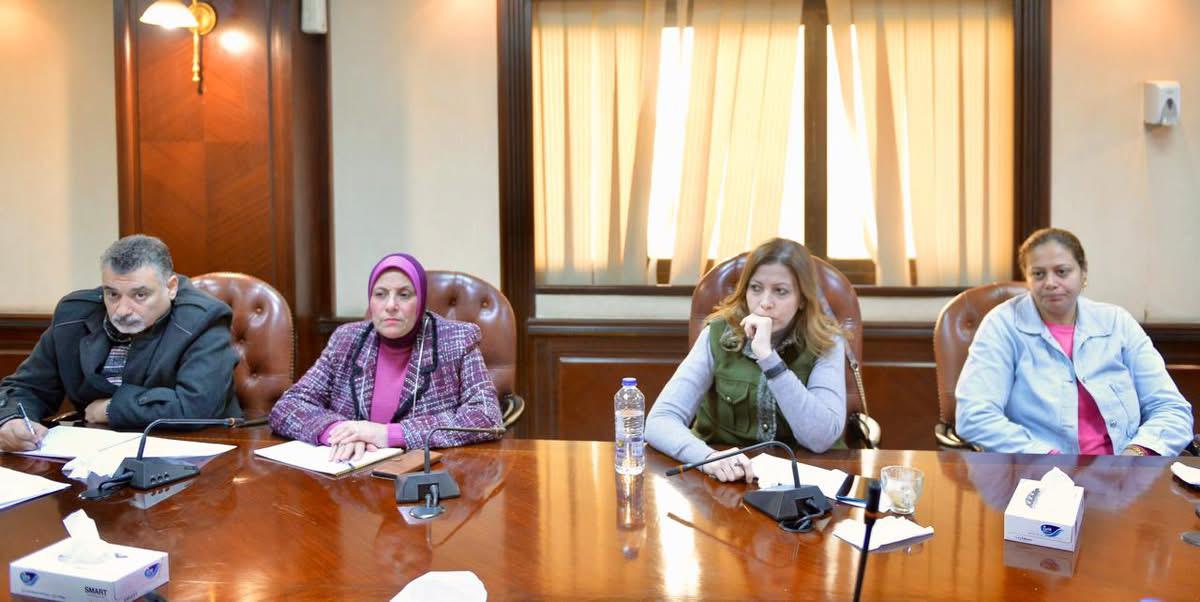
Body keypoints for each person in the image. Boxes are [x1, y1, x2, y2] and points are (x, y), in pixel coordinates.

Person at [955, 227, 1193, 455]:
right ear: (1026, 278)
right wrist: (1048, 458)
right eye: (1038, 274)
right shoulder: (1002, 325)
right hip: (1037, 471)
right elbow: (974, 415)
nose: (1050, 282)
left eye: (1062, 271)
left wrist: (1136, 454)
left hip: (1123, 470)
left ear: (1083, 273)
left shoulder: (1117, 322)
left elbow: (1171, 409)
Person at [0, 234, 242, 451]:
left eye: (140, 295)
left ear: (171, 288)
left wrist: (111, 409)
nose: (122, 310)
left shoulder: (203, 319)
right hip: (90, 453)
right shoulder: (73, 315)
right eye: (112, 294)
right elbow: (27, 387)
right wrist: (11, 419)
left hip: (192, 450)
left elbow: (196, 406)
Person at [646, 238, 847, 483]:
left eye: (781, 291)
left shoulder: (826, 341)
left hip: (804, 479)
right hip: (726, 480)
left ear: (802, 299)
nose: (765, 303)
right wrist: (708, 458)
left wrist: (769, 359)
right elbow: (659, 421)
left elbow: (820, 438)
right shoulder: (718, 333)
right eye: (756, 288)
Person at [269, 253, 503, 461]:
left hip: (426, 479)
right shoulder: (346, 340)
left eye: (404, 295)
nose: (391, 305)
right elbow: (288, 406)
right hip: (352, 478)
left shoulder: (456, 339)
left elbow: (487, 416)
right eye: (380, 294)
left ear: (421, 301)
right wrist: (338, 431)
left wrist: (386, 434)